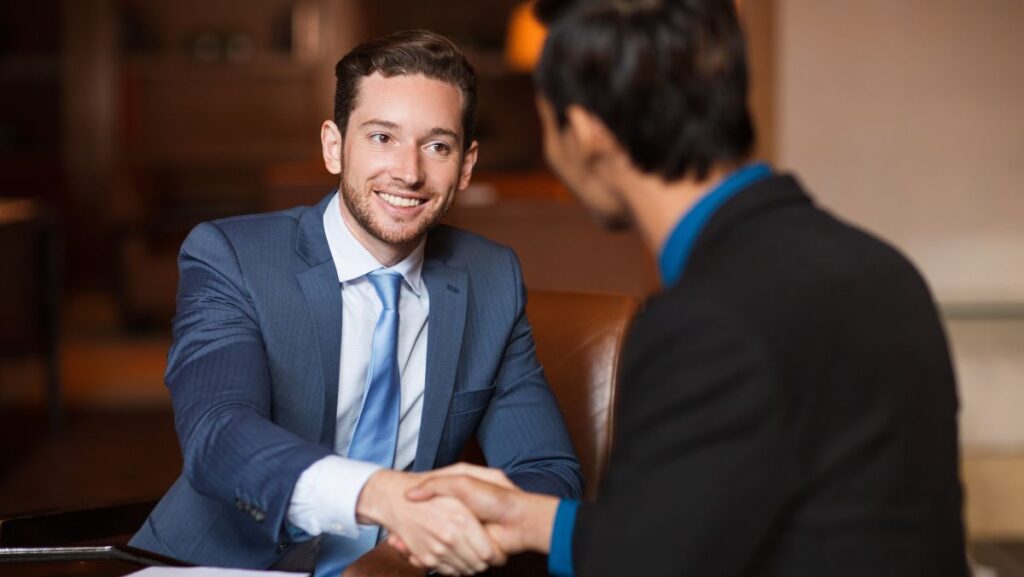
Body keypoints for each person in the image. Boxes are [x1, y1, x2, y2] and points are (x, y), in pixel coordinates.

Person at [395, 1, 969, 576]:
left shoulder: (707, 321)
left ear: (588, 132)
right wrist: (535, 520)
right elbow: (709, 522)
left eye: (549, 120)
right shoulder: (884, 270)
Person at [128, 29, 582, 577]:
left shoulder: (492, 278)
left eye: (437, 145)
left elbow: (545, 471)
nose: (409, 172)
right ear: (334, 146)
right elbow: (217, 435)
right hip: (224, 565)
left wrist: (408, 551)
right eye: (382, 137)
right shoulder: (233, 256)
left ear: (465, 165)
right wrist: (380, 495)